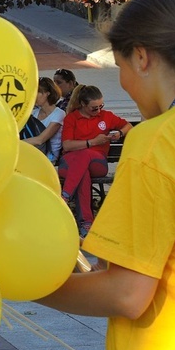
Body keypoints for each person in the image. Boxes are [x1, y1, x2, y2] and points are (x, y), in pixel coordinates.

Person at [38, 0, 175, 350]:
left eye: (121, 68)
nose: (126, 86)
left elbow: (127, 294)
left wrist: (30, 285)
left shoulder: (158, 141)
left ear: (142, 57)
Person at [59, 84, 132, 236]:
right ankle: (86, 223)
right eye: (94, 108)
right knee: (82, 169)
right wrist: (92, 142)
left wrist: (119, 133)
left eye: (101, 106)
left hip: (97, 163)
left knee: (84, 155)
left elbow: (128, 126)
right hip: (72, 163)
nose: (98, 111)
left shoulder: (106, 116)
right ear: (83, 104)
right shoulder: (72, 118)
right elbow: (67, 145)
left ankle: (65, 196)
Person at [22, 77, 66, 164]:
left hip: (48, 157)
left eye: (37, 92)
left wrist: (16, 143)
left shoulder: (59, 114)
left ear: (47, 93)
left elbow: (40, 140)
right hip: (32, 152)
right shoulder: (34, 113)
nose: (33, 96)